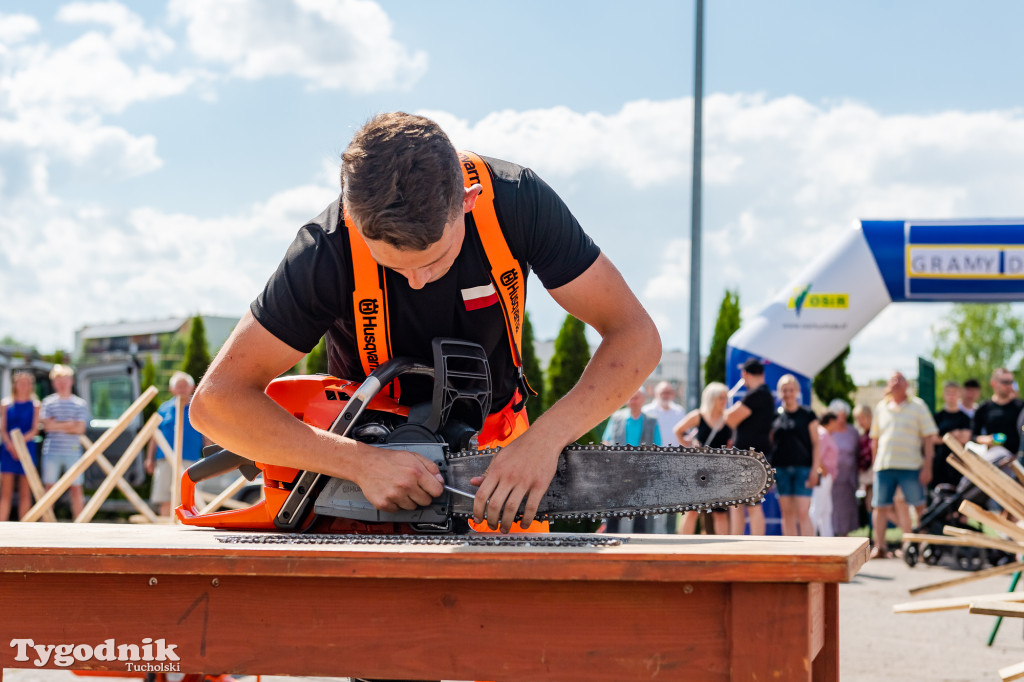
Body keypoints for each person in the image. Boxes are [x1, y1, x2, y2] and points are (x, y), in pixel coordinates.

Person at [189, 112, 661, 534]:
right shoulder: (324, 250)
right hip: (367, 477)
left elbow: (635, 337)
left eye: (433, 262)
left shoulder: (518, 202)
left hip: (499, 457)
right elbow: (214, 404)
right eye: (393, 266)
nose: (416, 281)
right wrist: (358, 462)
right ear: (354, 219)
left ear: (468, 202)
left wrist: (547, 440)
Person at [869, 371, 938, 559]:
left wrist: (927, 466)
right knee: (880, 507)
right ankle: (880, 547)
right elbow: (874, 439)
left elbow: (928, 438)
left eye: (900, 379)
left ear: (907, 385)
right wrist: (875, 465)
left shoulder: (918, 406)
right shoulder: (881, 407)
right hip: (884, 465)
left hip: (911, 465)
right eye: (893, 379)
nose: (896, 383)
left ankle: (924, 546)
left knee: (919, 506)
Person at [673, 381, 731, 535]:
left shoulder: (727, 419)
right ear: (711, 399)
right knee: (692, 511)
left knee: (720, 513)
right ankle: (683, 548)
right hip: (698, 470)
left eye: (725, 397)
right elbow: (678, 430)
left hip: (720, 471)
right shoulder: (698, 416)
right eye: (721, 398)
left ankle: (723, 550)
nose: (725, 401)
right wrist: (688, 445)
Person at [145, 372, 206, 517]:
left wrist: (207, 458)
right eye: (178, 386)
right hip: (165, 460)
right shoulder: (164, 409)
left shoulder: (197, 408)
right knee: (165, 497)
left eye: (184, 386)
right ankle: (166, 529)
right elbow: (154, 436)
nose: (181, 389)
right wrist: (149, 459)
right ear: (171, 389)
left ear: (192, 387)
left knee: (191, 498)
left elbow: (206, 435)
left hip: (191, 460)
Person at [724, 357, 772, 535]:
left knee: (751, 504)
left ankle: (753, 545)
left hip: (749, 458)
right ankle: (738, 543)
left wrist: (725, 408)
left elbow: (730, 418)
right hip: (749, 457)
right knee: (739, 503)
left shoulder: (757, 395)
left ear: (745, 374)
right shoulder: (763, 394)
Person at [601, 388, 661, 533]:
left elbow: (657, 446)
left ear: (643, 400)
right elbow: (606, 441)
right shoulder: (616, 418)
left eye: (636, 397)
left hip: (641, 470)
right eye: (630, 397)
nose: (633, 400)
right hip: (618, 468)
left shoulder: (651, 421)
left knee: (640, 508)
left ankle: (639, 541)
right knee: (613, 507)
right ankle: (610, 537)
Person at [769, 374, 820, 536]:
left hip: (803, 469)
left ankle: (809, 552)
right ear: (779, 392)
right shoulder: (775, 416)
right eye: (784, 390)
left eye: (791, 390)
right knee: (787, 514)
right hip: (781, 470)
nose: (788, 393)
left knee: (803, 512)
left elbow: (816, 443)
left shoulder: (808, 414)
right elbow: (770, 445)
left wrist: (815, 470)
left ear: (797, 391)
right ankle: (790, 553)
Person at [39, 364, 90, 518]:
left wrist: (57, 425)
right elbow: (47, 427)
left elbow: (80, 429)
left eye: (65, 380)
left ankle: (80, 526)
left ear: (71, 381)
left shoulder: (80, 404)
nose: (62, 383)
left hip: (72, 451)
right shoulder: (48, 402)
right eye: (58, 380)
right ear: (54, 383)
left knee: (76, 488)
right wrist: (69, 424)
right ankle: (46, 525)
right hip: (52, 451)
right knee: (49, 489)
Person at [643, 380, 685, 533]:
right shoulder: (647, 410)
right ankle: (648, 533)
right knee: (650, 500)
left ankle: (670, 532)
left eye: (668, 392)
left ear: (673, 394)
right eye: (663, 393)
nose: (665, 396)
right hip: (652, 462)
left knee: (672, 502)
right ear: (656, 394)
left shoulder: (679, 411)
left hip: (674, 462)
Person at [0, 370, 41, 520]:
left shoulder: (36, 405)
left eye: (27, 383)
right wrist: (11, 445)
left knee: (25, 492)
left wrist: (19, 444)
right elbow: (3, 429)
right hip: (8, 450)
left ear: (31, 386)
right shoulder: (6, 404)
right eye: (20, 382)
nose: (24, 386)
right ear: (15, 384)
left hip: (27, 449)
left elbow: (35, 430)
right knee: (6, 492)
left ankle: (25, 526)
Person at [828, 399, 861, 537]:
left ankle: (844, 537)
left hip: (848, 478)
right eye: (837, 415)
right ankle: (830, 536)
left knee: (846, 508)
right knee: (831, 508)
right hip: (831, 477)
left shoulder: (853, 432)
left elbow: (858, 453)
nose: (840, 419)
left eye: (843, 415)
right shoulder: (828, 432)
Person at [973, 368, 1023, 454]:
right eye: (1005, 382)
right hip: (993, 459)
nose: (1009, 385)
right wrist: (985, 439)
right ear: (993, 383)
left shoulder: (1020, 406)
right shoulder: (984, 408)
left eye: (1011, 382)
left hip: (1017, 461)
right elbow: (972, 435)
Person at [933, 380, 972, 489]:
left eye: (954, 393)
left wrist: (944, 436)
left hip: (958, 462)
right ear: (944, 394)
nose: (951, 396)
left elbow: (966, 438)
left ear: (958, 394)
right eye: (948, 392)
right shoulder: (938, 417)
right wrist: (954, 435)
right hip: (940, 464)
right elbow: (933, 439)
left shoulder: (965, 418)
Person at [810, 412, 838, 537]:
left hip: (827, 476)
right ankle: (810, 536)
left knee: (826, 509)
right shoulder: (823, 434)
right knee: (818, 508)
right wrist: (822, 468)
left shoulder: (826, 434)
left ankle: (827, 537)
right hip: (823, 475)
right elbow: (818, 453)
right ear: (830, 421)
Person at [853, 404, 874, 520]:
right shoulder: (862, 435)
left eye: (862, 418)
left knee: (879, 506)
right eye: (857, 419)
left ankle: (909, 530)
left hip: (876, 475)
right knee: (870, 506)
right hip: (867, 478)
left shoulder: (875, 434)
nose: (860, 422)